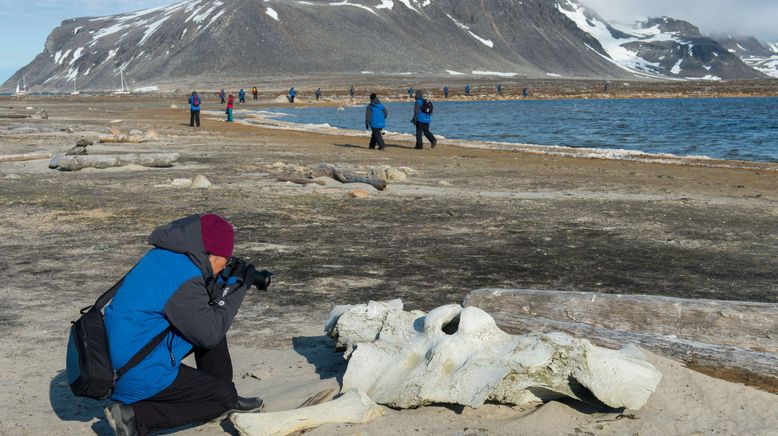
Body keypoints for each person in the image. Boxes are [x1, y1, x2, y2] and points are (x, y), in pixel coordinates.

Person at [102, 214, 264, 436]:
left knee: (213, 319)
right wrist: (235, 288)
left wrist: (219, 288)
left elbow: (197, 313)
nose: (225, 265)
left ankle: (219, 391)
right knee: (221, 392)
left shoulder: (165, 256)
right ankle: (136, 416)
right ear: (211, 254)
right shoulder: (185, 278)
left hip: (119, 359)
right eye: (225, 259)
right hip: (134, 373)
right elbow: (208, 334)